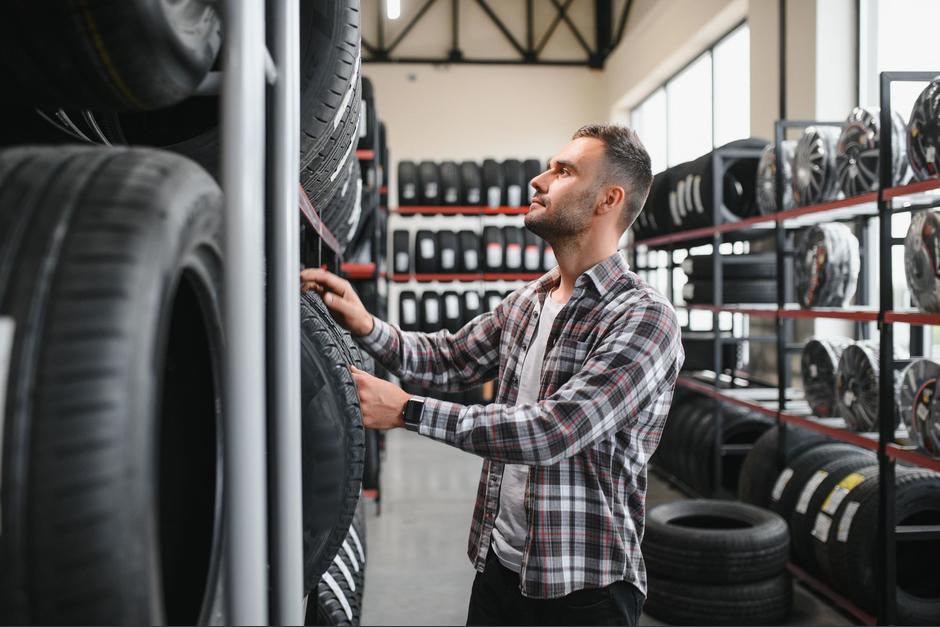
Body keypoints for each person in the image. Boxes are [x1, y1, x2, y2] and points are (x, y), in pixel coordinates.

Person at [300, 123, 683, 626]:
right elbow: (449, 358)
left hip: (583, 590)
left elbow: (554, 430)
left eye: (563, 171)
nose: (538, 181)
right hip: (500, 565)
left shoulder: (644, 318)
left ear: (608, 200)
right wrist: (368, 325)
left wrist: (407, 411)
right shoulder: (530, 300)